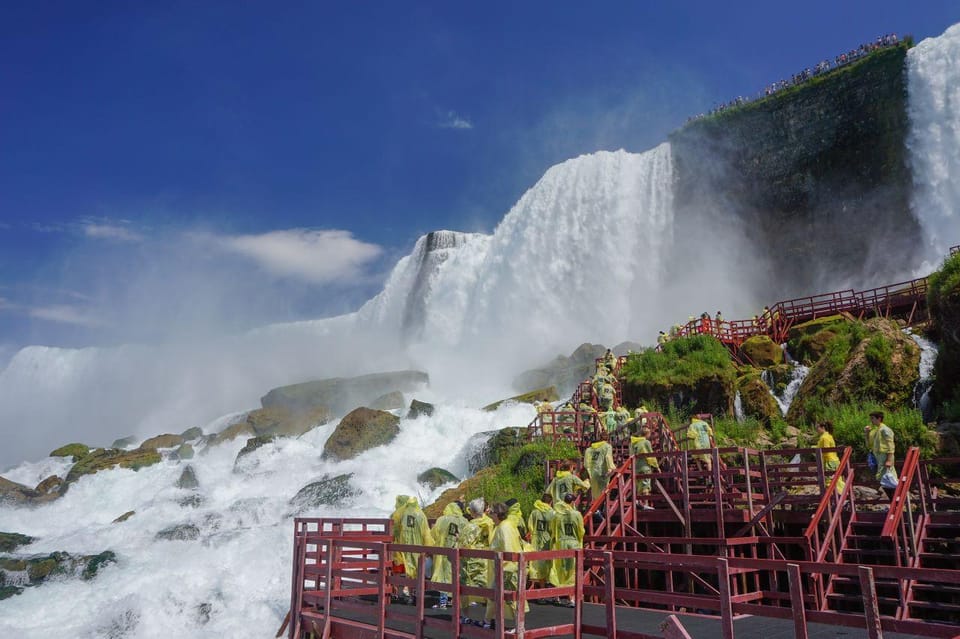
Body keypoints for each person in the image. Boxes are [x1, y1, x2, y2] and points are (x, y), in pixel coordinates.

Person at [482, 503, 528, 631]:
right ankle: (488, 621)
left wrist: (505, 567)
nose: (489, 515)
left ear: (497, 514)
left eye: (491, 512)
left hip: (508, 568)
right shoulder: (505, 525)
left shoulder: (503, 528)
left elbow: (508, 549)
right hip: (506, 567)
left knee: (511, 598)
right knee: (495, 595)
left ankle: (519, 626)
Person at [430, 502, 470, 608]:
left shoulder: (442, 519)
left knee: (443, 576)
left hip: (443, 553)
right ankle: (454, 599)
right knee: (456, 575)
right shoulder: (464, 521)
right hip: (458, 552)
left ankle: (443, 601)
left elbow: (433, 534)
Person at [550, 493, 584, 606]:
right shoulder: (577, 514)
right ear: (572, 502)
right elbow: (581, 531)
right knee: (571, 571)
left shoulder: (557, 515)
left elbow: (553, 529)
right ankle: (571, 598)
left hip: (560, 543)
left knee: (559, 569)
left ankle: (557, 595)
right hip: (573, 543)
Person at [457, 513, 487, 625]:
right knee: (491, 593)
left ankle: (465, 617)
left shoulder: (469, 527)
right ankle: (489, 619)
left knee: (464, 589)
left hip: (472, 564)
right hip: (488, 564)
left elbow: (462, 546)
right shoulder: (491, 524)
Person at [396, 496, 434, 584]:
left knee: (404, 567)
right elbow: (426, 534)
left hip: (402, 547)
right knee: (417, 568)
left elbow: (395, 530)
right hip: (418, 548)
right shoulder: (421, 515)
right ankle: (415, 592)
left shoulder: (401, 514)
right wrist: (429, 548)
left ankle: (401, 592)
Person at [527, 493, 557, 591]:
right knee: (549, 563)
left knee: (538, 564)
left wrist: (534, 534)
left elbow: (530, 526)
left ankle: (542, 589)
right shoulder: (552, 513)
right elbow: (554, 528)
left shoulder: (535, 512)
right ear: (550, 502)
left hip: (536, 540)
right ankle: (550, 588)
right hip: (547, 540)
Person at [865, 411, 897, 499]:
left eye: (873, 418)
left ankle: (895, 497)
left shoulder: (885, 429)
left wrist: (889, 459)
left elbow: (890, 445)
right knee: (883, 478)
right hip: (878, 457)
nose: (871, 420)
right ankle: (893, 498)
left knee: (889, 477)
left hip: (884, 456)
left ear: (879, 418)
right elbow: (869, 445)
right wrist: (867, 434)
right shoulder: (875, 430)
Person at [630, 426, 660, 510]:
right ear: (647, 434)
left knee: (639, 485)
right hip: (644, 466)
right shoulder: (646, 442)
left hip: (636, 467)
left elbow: (631, 455)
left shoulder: (634, 443)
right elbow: (650, 455)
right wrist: (656, 466)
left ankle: (639, 503)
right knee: (646, 485)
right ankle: (645, 504)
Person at [583, 437, 616, 502]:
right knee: (604, 491)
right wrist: (612, 468)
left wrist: (589, 471)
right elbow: (608, 457)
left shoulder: (589, 450)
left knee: (595, 493)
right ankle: (603, 508)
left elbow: (586, 463)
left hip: (592, 474)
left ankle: (597, 508)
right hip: (602, 472)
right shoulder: (607, 446)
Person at [816, 421, 845, 495]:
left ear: (823, 428)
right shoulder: (829, 436)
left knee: (829, 481)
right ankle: (843, 493)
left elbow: (826, 450)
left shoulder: (824, 437)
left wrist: (815, 450)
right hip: (834, 460)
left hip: (829, 461)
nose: (816, 430)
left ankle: (834, 496)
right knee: (837, 479)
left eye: (817, 428)